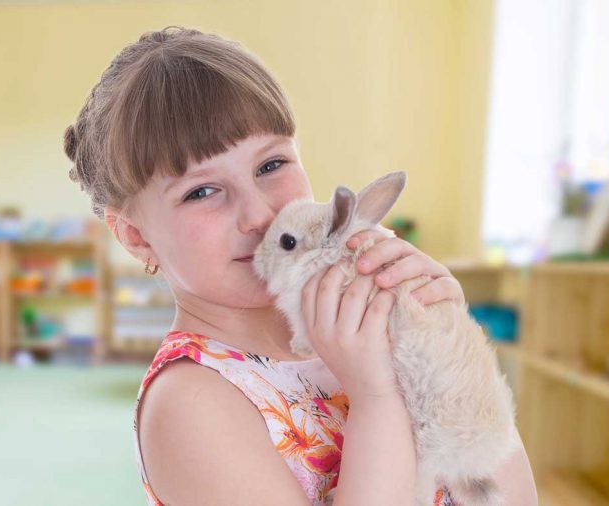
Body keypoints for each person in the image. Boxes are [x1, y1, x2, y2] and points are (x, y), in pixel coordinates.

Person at [64, 26, 537, 506]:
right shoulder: (191, 401)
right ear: (136, 236)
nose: (260, 215)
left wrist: (449, 343)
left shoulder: (362, 327)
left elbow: (508, 499)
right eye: (201, 192)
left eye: (270, 166)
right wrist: (376, 400)